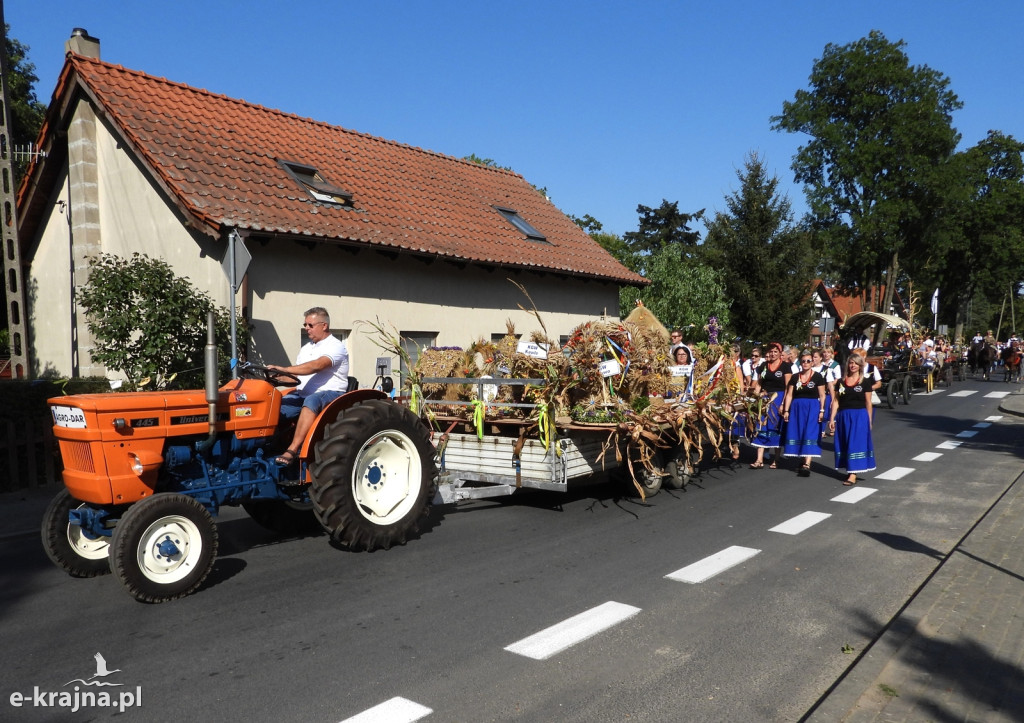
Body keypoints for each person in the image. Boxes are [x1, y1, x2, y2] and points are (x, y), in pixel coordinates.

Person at [268, 307, 350, 465]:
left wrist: (283, 368)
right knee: (275, 406)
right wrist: (272, 378)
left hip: (331, 394)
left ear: (324, 325)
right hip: (302, 394)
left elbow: (317, 365)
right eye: (305, 324)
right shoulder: (307, 348)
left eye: (310, 325)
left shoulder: (335, 346)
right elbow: (295, 377)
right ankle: (268, 444)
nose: (306, 328)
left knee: (312, 401)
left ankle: (292, 449)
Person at [827, 351, 876, 486]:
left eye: (855, 363)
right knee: (845, 443)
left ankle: (853, 474)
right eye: (851, 363)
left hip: (859, 415)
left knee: (855, 443)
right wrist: (832, 418)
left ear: (860, 366)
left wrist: (869, 420)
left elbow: (868, 403)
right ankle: (849, 469)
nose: (852, 366)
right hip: (843, 416)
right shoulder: (842, 382)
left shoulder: (865, 382)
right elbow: (836, 401)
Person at [781, 351, 827, 475]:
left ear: (812, 362)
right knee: (799, 432)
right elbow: (789, 394)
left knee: (810, 433)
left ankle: (807, 463)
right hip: (797, 408)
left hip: (812, 408)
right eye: (803, 361)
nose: (806, 363)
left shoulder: (818, 377)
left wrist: (822, 410)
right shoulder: (795, 377)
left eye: (808, 361)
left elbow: (822, 395)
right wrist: (786, 410)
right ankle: (802, 459)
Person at [749, 342, 791, 469]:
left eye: (775, 351)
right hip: (765, 399)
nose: (773, 354)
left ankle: (776, 459)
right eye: (771, 351)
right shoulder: (763, 366)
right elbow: (759, 384)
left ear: (780, 353)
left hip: (778, 399)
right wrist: (753, 399)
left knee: (775, 428)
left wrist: (783, 404)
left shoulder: (785, 367)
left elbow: (788, 387)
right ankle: (759, 459)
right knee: (761, 425)